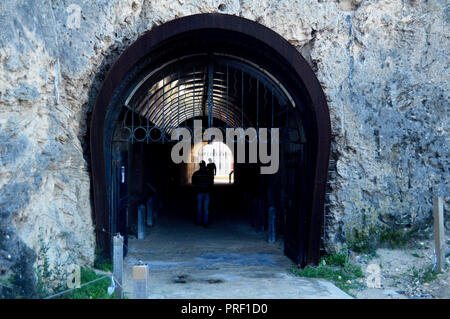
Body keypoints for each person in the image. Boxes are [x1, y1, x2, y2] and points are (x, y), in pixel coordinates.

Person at [192, 160, 214, 226]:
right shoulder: (208, 173)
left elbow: (193, 182)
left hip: (199, 193)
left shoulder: (196, 173)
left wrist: (197, 187)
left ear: (200, 165)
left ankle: (199, 221)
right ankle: (205, 222)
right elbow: (211, 182)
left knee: (199, 208)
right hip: (206, 193)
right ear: (205, 165)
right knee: (205, 208)